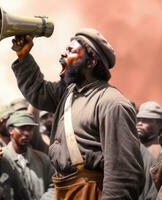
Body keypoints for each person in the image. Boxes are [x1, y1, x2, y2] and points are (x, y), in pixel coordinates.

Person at [10, 28, 144, 199]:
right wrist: (23, 57)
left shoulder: (112, 104)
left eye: (71, 51)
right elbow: (39, 92)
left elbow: (123, 174)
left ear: (91, 62)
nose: (63, 54)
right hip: (65, 190)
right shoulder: (69, 92)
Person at [0, 110, 55, 200]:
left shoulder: (42, 159)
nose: (27, 133)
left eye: (30, 129)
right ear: (10, 130)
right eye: (22, 128)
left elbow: (53, 185)